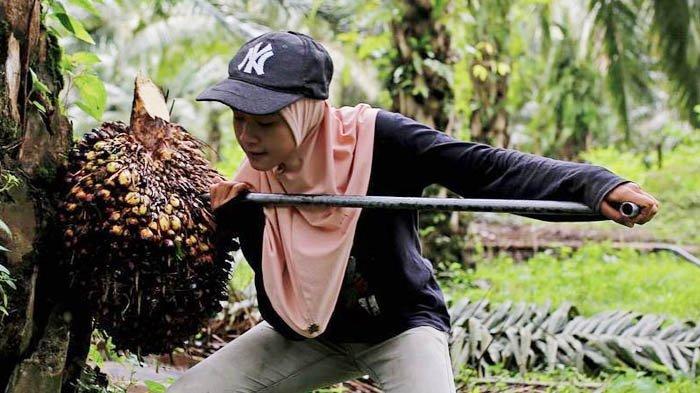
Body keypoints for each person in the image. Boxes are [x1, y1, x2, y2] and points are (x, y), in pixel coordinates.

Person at [167, 31, 660, 393]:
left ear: (307, 112)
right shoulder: (250, 183)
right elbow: (266, 283)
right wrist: (233, 221)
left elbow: (485, 170)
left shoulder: (379, 139)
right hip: (305, 333)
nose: (247, 136)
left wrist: (596, 184)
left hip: (400, 328)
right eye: (239, 119)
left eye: (266, 122)